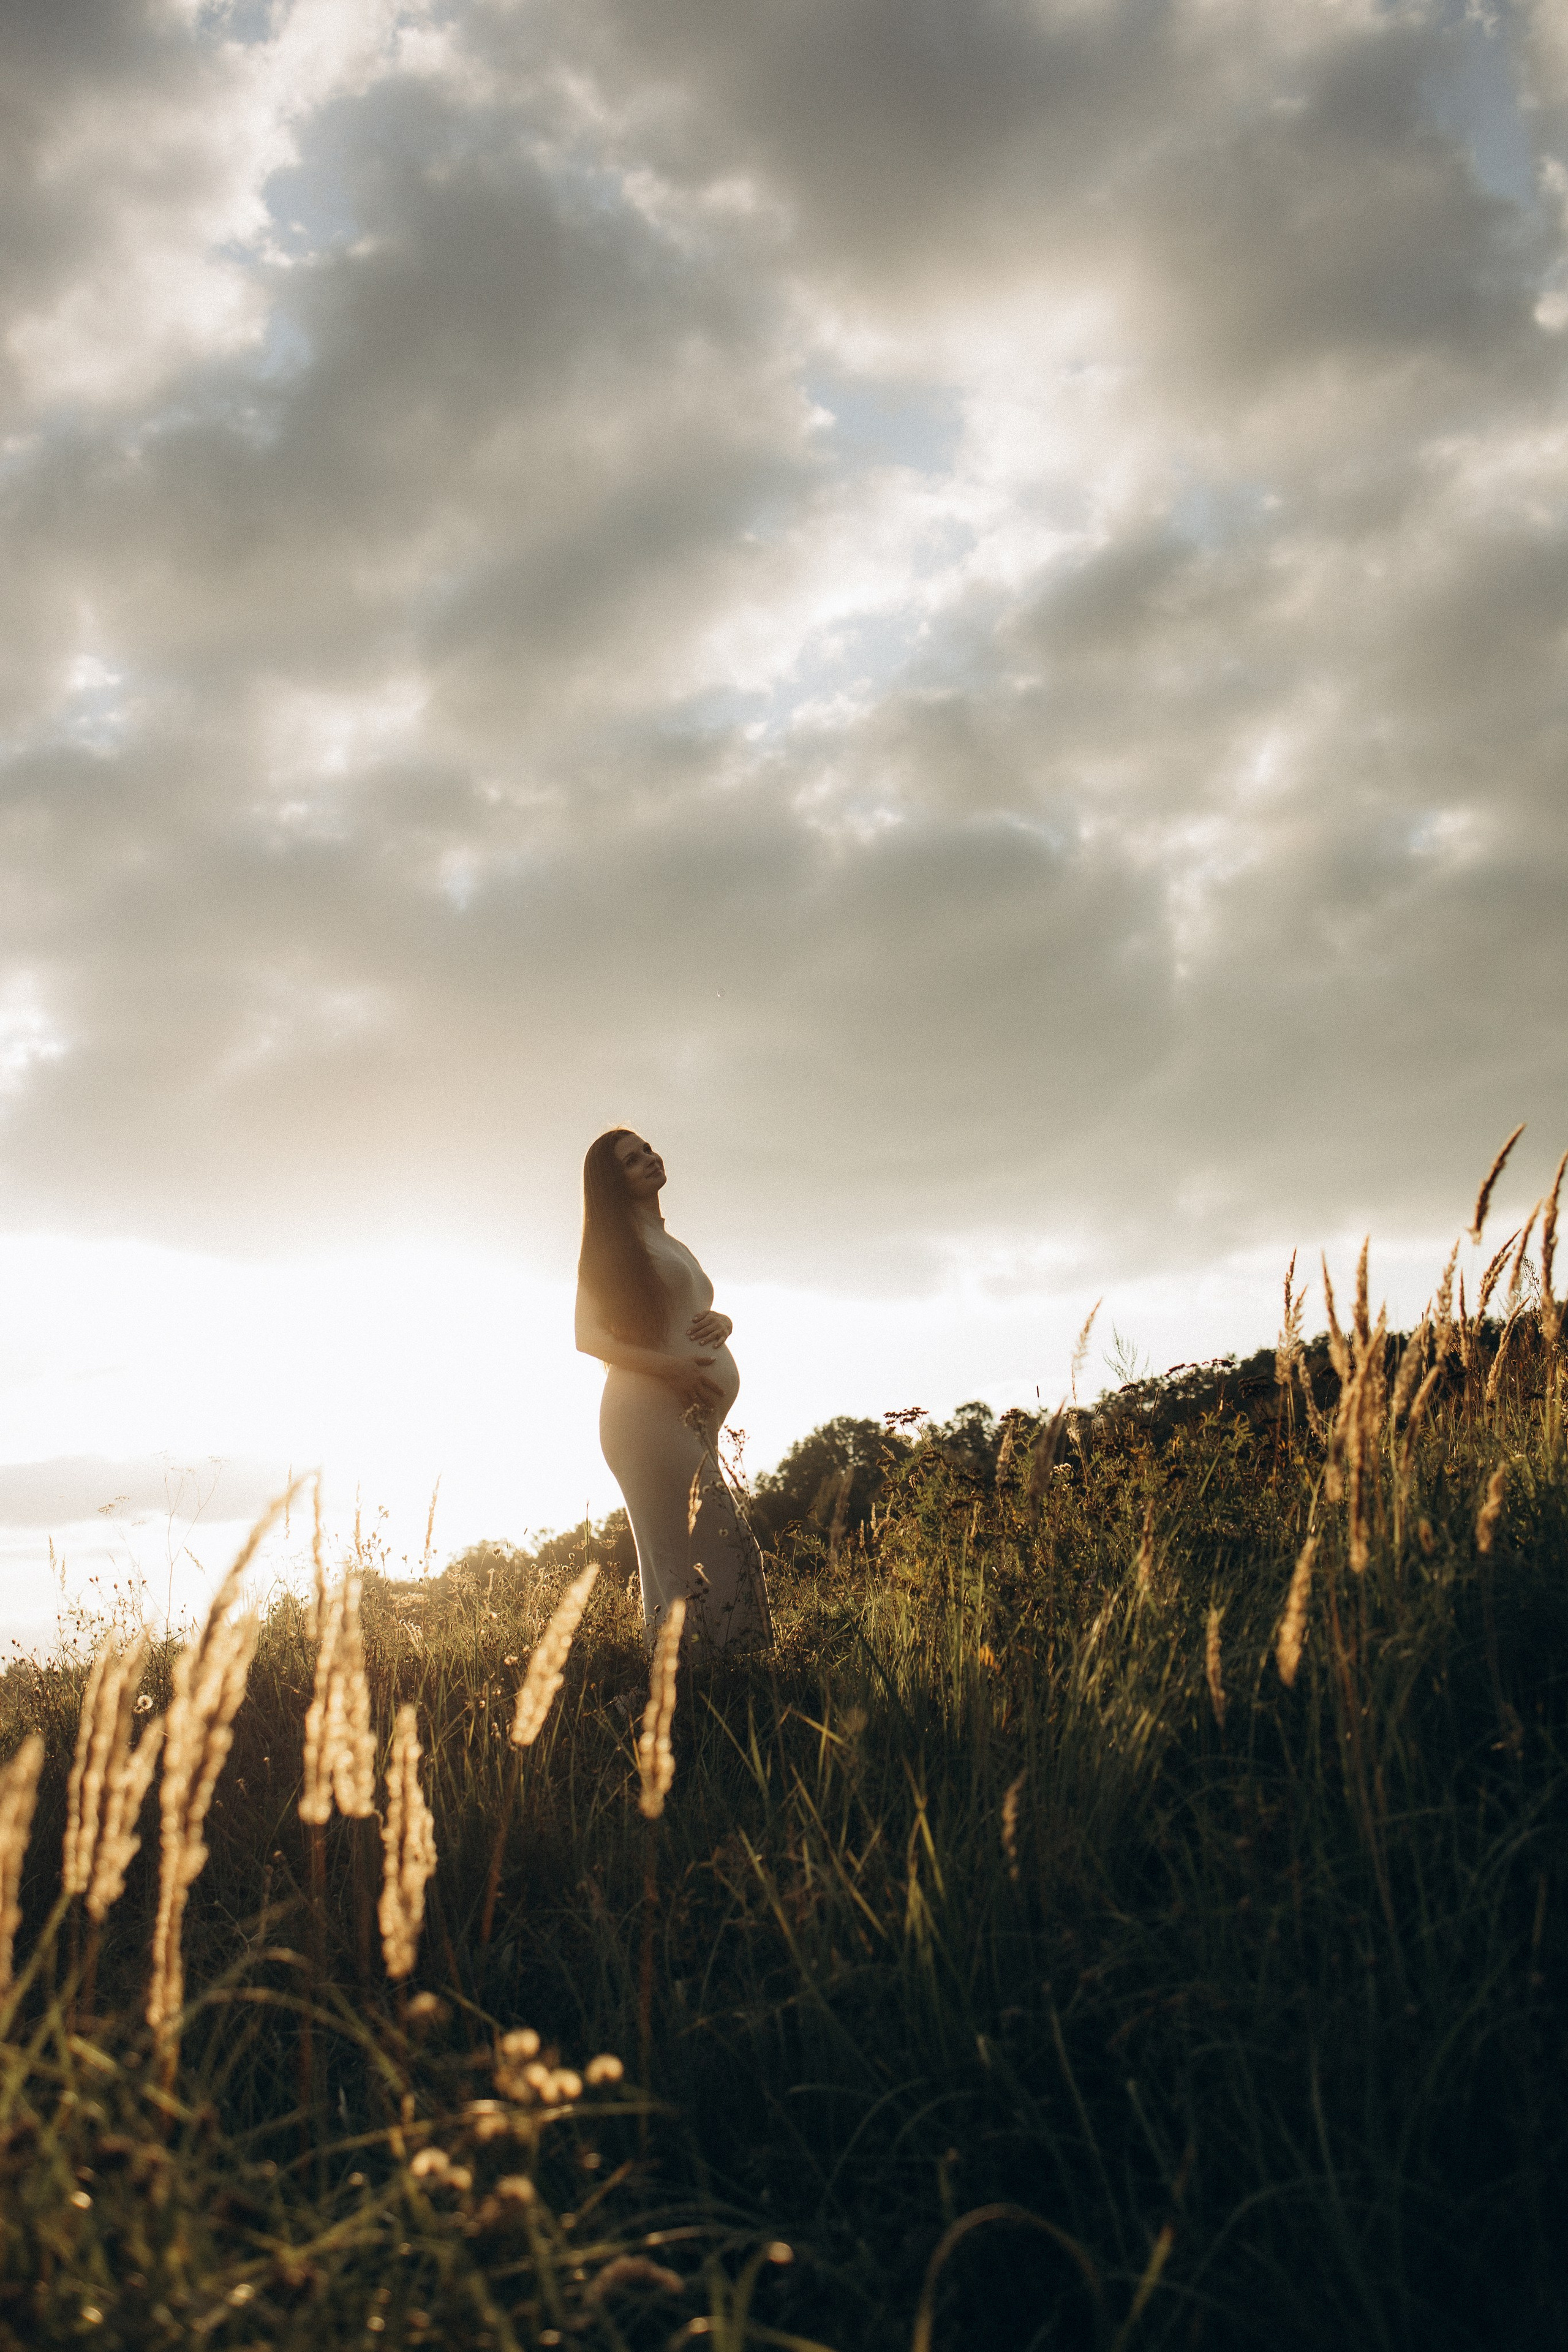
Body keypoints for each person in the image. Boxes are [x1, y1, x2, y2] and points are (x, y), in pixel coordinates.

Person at [575, 1129, 773, 1653]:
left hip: (683, 1416)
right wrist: (676, 1372)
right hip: (644, 1415)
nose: (648, 1160)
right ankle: (697, 1686)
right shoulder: (612, 1243)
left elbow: (684, 1309)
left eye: (647, 1150)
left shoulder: (667, 1239)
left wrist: (721, 1321)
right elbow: (587, 1337)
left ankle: (697, 1687)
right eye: (630, 1161)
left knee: (698, 1556)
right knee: (717, 1548)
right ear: (611, 1183)